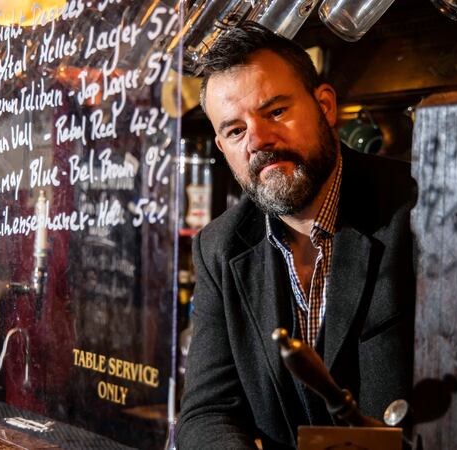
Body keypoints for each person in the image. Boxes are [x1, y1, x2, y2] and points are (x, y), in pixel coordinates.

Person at [176, 22, 416, 449]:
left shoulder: (417, 207)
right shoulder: (219, 247)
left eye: (276, 112)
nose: (259, 140)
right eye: (235, 130)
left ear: (325, 106)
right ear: (222, 145)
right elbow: (207, 413)